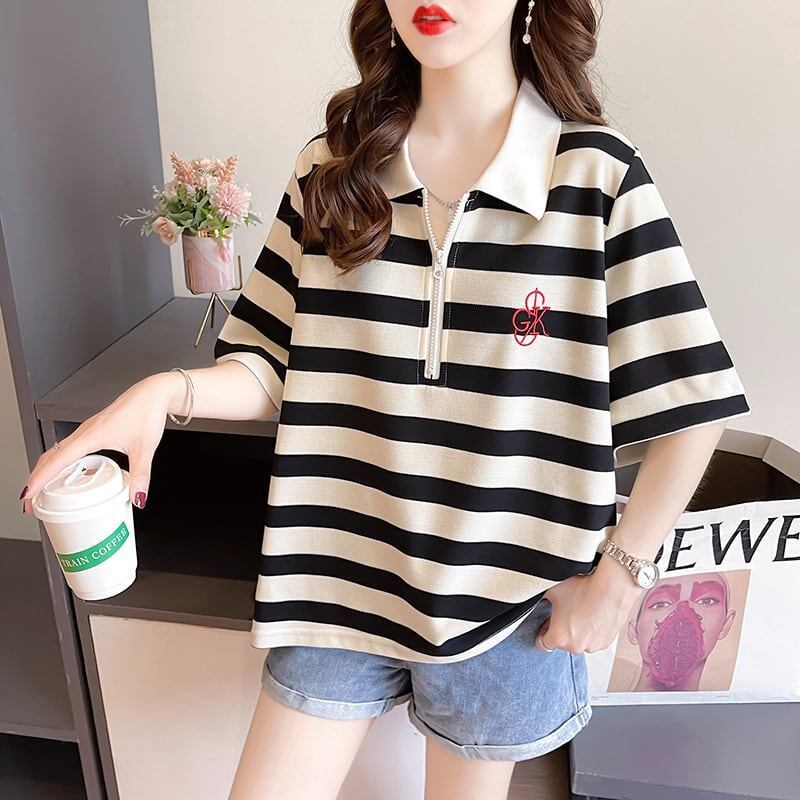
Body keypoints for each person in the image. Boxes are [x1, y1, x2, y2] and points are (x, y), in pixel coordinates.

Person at [20, 1, 753, 798]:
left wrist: (619, 580)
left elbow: (693, 397)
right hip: (336, 581)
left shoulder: (595, 177)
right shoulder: (332, 168)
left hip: (510, 614)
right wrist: (165, 392)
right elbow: (270, 361)